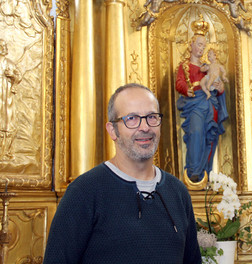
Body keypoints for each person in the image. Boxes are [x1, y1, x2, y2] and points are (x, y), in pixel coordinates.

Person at [43, 83, 201, 263]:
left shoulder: (178, 192)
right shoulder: (83, 192)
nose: (145, 127)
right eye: (132, 118)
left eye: (151, 117)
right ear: (112, 130)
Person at [176, 33, 228, 182]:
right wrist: (187, 89)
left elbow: (219, 85)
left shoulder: (210, 67)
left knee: (209, 137)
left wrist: (220, 88)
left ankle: (206, 171)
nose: (201, 48)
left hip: (211, 104)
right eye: (199, 44)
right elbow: (179, 83)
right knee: (196, 133)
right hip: (195, 104)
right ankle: (194, 172)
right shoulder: (185, 66)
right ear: (191, 45)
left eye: (204, 46)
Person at [0, 39, 22, 161]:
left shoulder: (10, 64)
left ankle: (6, 151)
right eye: (1, 46)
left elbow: (19, 76)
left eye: (5, 46)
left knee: (8, 123)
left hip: (7, 96)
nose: (4, 48)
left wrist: (12, 76)